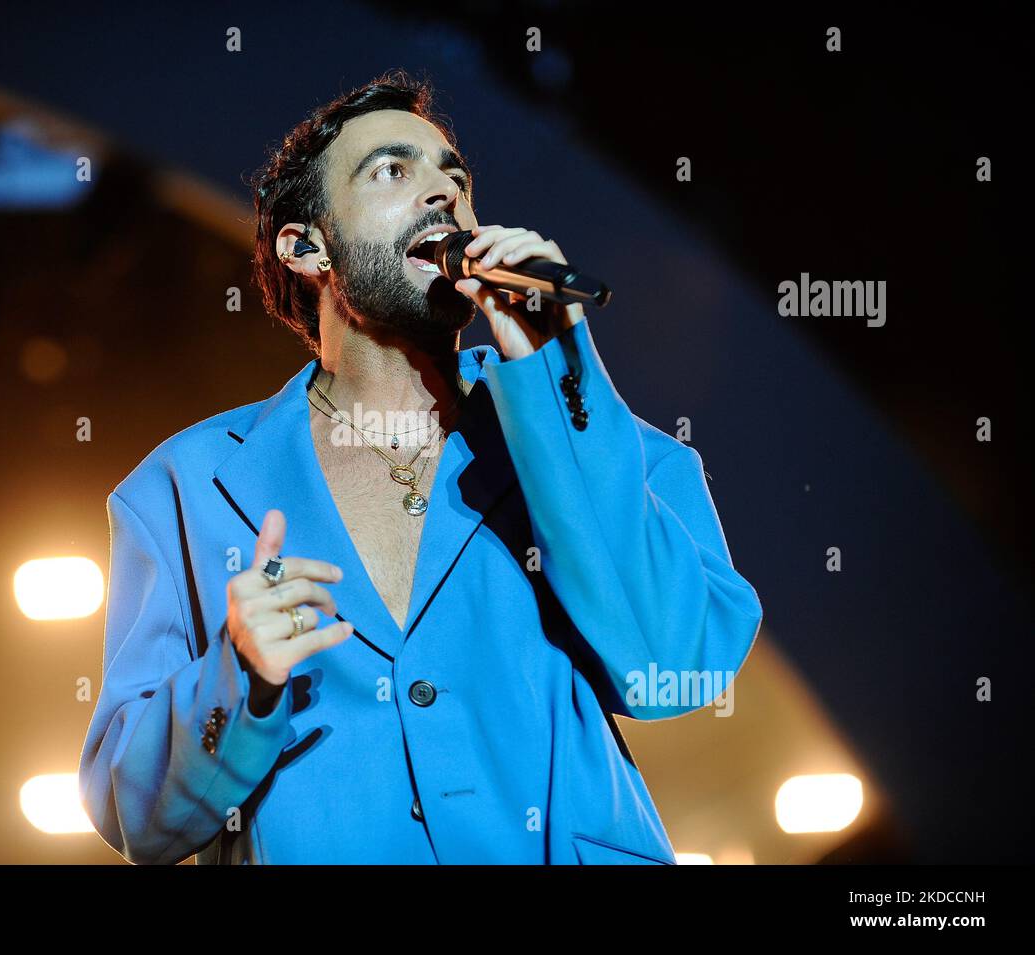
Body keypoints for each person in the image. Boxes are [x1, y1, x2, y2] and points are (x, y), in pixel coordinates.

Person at [78, 69, 763, 864]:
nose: (444, 194)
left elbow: (669, 665)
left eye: (455, 177)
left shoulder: (596, 436)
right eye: (394, 172)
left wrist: (552, 370)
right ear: (307, 247)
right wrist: (238, 679)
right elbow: (131, 814)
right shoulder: (185, 488)